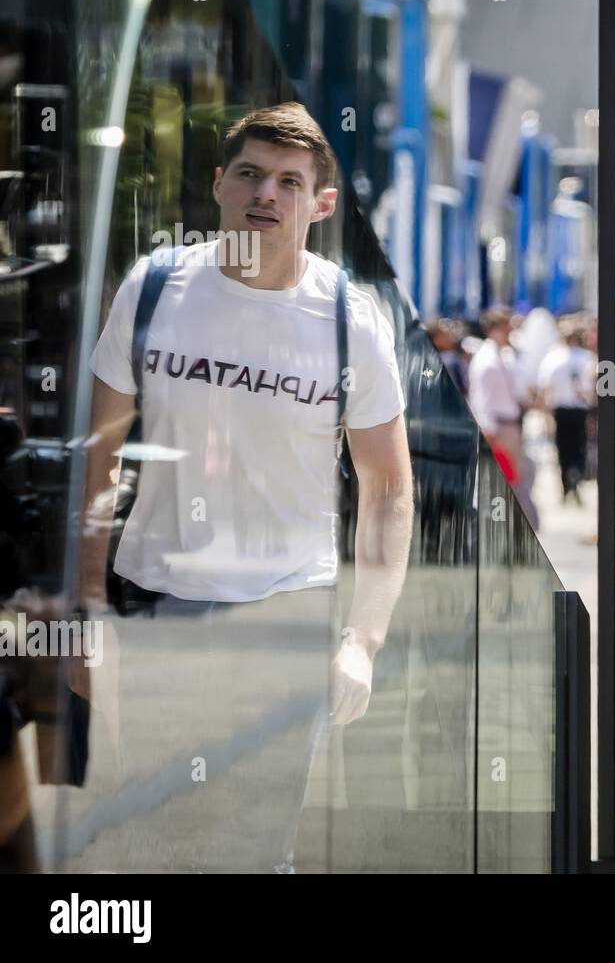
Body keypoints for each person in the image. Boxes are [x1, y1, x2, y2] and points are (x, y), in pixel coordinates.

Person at [79, 102, 413, 871]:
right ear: (219, 186)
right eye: (251, 174)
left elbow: (390, 492)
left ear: (320, 205)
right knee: (145, 839)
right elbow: (97, 460)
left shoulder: (346, 320)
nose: (268, 194)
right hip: (153, 601)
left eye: (290, 182)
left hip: (285, 611)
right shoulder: (155, 288)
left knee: (254, 847)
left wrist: (362, 641)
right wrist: (88, 609)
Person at [468, 306, 538, 529]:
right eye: (504, 325)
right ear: (492, 329)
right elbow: (482, 399)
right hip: (498, 427)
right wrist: (489, 432)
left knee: (514, 478)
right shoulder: (486, 359)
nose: (509, 329)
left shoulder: (503, 355)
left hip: (508, 426)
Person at [538, 315, 597, 503]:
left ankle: (567, 482)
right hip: (579, 409)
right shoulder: (587, 358)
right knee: (580, 446)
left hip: (562, 410)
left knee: (563, 448)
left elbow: (545, 391)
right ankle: (575, 478)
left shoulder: (552, 358)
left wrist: (546, 417)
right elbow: (594, 388)